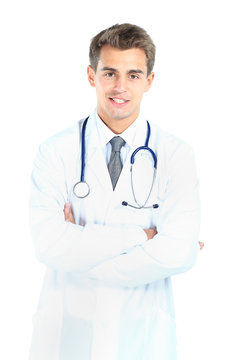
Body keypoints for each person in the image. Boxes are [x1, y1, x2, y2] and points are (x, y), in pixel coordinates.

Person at [29, 23, 203, 360]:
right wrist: (145, 236)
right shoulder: (55, 151)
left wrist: (79, 248)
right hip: (67, 338)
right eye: (110, 73)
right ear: (92, 76)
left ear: (149, 81)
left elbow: (177, 252)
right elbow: (49, 245)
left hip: (142, 340)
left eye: (134, 75)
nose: (120, 87)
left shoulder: (176, 155)